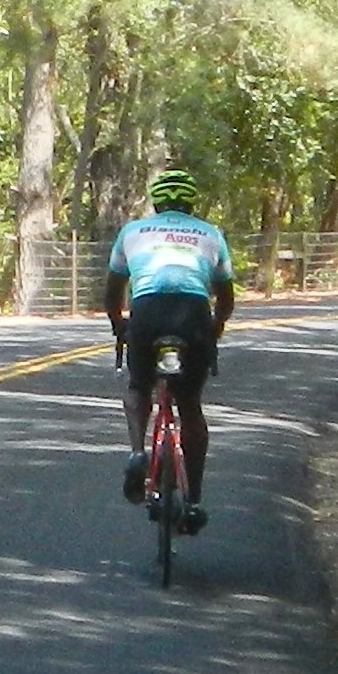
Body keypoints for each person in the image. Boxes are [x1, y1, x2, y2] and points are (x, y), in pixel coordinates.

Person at [103, 168, 239, 529]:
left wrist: (120, 325)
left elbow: (113, 292)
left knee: (138, 386)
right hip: (192, 315)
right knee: (190, 405)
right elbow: (226, 299)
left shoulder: (132, 232)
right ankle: (193, 499)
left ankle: (137, 451)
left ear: (156, 202)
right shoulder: (211, 234)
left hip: (147, 312)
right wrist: (215, 328)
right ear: (191, 203)